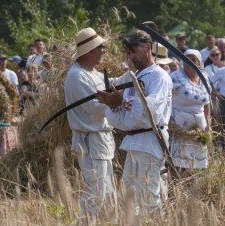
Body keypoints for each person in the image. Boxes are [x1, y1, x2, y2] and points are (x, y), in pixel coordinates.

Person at [98, 29, 172, 215]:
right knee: (129, 199)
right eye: (128, 53)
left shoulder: (159, 76)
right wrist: (113, 104)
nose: (131, 57)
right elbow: (123, 120)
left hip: (149, 141)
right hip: (133, 143)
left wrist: (121, 101)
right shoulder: (134, 77)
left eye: (134, 51)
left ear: (148, 48)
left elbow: (150, 111)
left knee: (149, 198)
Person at [64, 27, 118, 217]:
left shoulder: (93, 72)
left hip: (102, 138)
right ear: (90, 51)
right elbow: (96, 107)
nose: (104, 50)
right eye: (101, 47)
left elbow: (111, 85)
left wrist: (133, 79)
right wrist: (121, 104)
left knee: (109, 192)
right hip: (90, 140)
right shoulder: (77, 76)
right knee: (96, 191)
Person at [169, 49, 210, 172]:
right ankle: (177, 189)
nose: (190, 63)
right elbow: (165, 98)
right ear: (182, 61)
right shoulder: (175, 77)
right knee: (180, 164)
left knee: (197, 165)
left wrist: (208, 124)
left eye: (194, 60)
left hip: (199, 129)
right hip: (179, 127)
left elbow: (207, 102)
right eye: (187, 60)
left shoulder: (204, 78)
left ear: (200, 62)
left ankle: (193, 189)